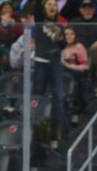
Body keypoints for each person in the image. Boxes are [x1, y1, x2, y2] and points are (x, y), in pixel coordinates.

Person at [33, 0, 67, 142]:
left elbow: (63, 44)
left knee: (59, 96)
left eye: (54, 5)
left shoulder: (61, 25)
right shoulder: (39, 20)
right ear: (43, 7)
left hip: (55, 64)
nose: (52, 7)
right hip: (40, 63)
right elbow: (35, 8)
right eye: (49, 4)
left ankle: (56, 130)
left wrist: (59, 35)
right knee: (38, 97)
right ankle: (37, 131)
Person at [71, 0, 97, 88]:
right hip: (78, 49)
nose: (87, 11)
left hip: (94, 49)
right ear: (80, 10)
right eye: (85, 9)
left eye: (90, 9)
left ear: (93, 10)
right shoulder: (74, 22)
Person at [62, 26, 94, 125]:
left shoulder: (79, 47)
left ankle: (75, 112)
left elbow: (85, 66)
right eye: (66, 34)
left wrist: (69, 65)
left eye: (71, 34)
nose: (69, 36)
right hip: (60, 73)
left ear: (75, 36)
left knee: (74, 82)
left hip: (74, 74)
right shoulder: (60, 47)